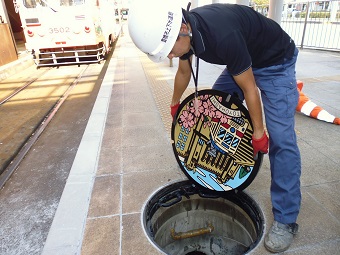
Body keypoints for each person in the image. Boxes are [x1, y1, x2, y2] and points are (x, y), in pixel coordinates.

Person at [128, 0, 301, 253]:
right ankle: (221, 165)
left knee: (281, 140)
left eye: (171, 50)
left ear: (184, 29)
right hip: (244, 57)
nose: (171, 56)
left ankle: (286, 220)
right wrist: (175, 104)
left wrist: (259, 133)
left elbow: (249, 88)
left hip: (276, 62)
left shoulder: (222, 35)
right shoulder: (185, 29)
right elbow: (184, 73)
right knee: (213, 107)